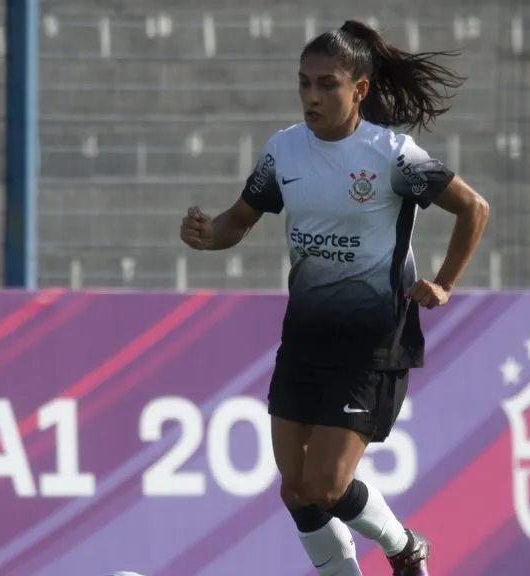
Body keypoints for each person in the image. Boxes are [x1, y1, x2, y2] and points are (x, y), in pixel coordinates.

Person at [179, 20, 489, 576]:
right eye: (304, 83)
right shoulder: (284, 150)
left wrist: (444, 282)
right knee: (296, 490)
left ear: (359, 90)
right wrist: (209, 234)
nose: (312, 96)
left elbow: (474, 208)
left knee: (325, 484)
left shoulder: (392, 154)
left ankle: (404, 547)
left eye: (327, 85)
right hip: (304, 340)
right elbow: (238, 220)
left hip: (372, 344)